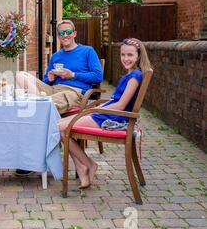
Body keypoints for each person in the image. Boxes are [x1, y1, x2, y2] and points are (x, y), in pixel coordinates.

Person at [58, 38, 152, 188]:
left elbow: (121, 106)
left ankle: (87, 165)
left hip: (113, 118)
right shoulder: (131, 75)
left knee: (60, 129)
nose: (126, 58)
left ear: (138, 56)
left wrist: (93, 110)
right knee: (59, 127)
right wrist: (94, 109)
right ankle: (83, 167)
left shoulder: (135, 77)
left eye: (130, 55)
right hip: (106, 114)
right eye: (123, 55)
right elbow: (116, 100)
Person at [15, 19, 103, 176]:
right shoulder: (56, 56)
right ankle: (40, 107)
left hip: (74, 92)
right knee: (20, 75)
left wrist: (73, 75)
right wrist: (48, 78)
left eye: (68, 32)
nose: (65, 35)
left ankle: (33, 157)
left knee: (37, 110)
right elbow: (44, 81)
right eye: (61, 33)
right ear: (58, 36)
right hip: (53, 89)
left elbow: (98, 76)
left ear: (74, 33)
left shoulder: (87, 51)